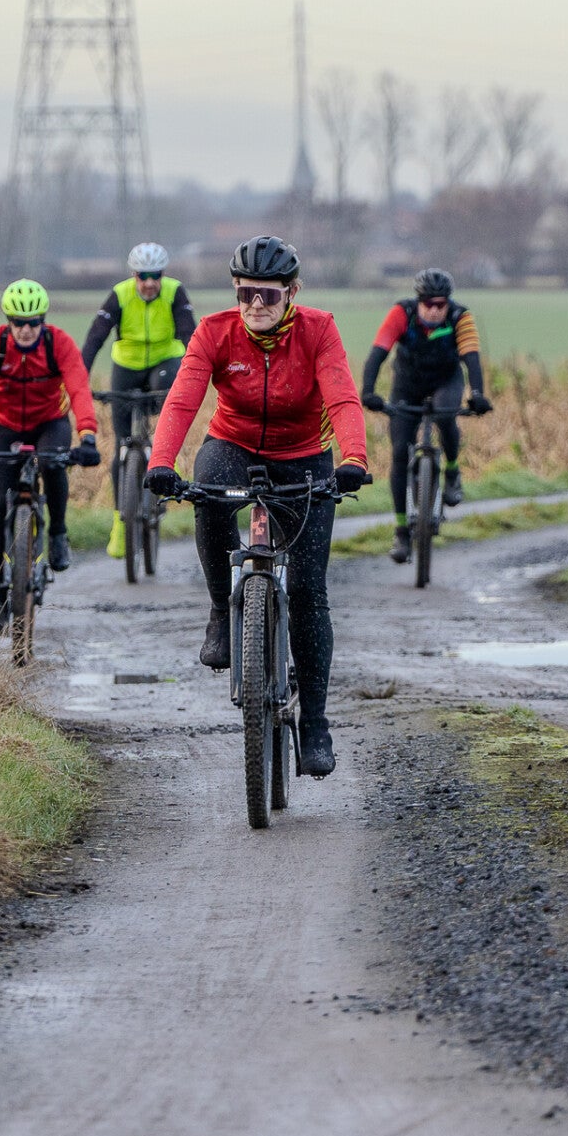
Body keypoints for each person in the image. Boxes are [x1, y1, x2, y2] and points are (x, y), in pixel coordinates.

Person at [143, 235, 369, 779]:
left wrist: (353, 458)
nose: (256, 304)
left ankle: (315, 723)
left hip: (305, 455)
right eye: (245, 293)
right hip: (234, 445)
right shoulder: (214, 331)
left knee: (310, 592)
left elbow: (341, 396)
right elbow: (183, 398)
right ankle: (222, 612)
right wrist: (161, 461)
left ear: (292, 292)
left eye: (268, 294)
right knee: (206, 490)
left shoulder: (319, 329)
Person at [0, 280, 101, 633]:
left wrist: (88, 436)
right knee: (2, 504)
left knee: (52, 463)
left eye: (33, 322)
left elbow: (79, 388)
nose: (26, 330)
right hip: (6, 427)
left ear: (43, 321)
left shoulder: (58, 344)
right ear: (8, 322)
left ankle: (58, 532)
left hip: (50, 422)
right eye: (18, 322)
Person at [357, 268, 493, 564]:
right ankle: (401, 531)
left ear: (448, 303)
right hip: (407, 384)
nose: (434, 310)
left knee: (446, 416)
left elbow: (471, 358)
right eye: (428, 303)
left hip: (446, 381)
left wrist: (478, 394)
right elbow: (378, 352)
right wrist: (368, 392)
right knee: (399, 452)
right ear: (418, 301)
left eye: (440, 304)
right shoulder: (402, 313)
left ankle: (452, 470)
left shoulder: (459, 317)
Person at [80, 242, 196, 558]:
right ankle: (121, 524)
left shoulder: (174, 292)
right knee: (121, 446)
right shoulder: (119, 295)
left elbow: (190, 335)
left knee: (165, 387)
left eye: (155, 275)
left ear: (163, 274)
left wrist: (194, 375)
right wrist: (80, 377)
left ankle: (162, 458)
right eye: (143, 276)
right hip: (127, 367)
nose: (149, 283)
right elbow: (95, 338)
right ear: (134, 275)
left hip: (164, 363)